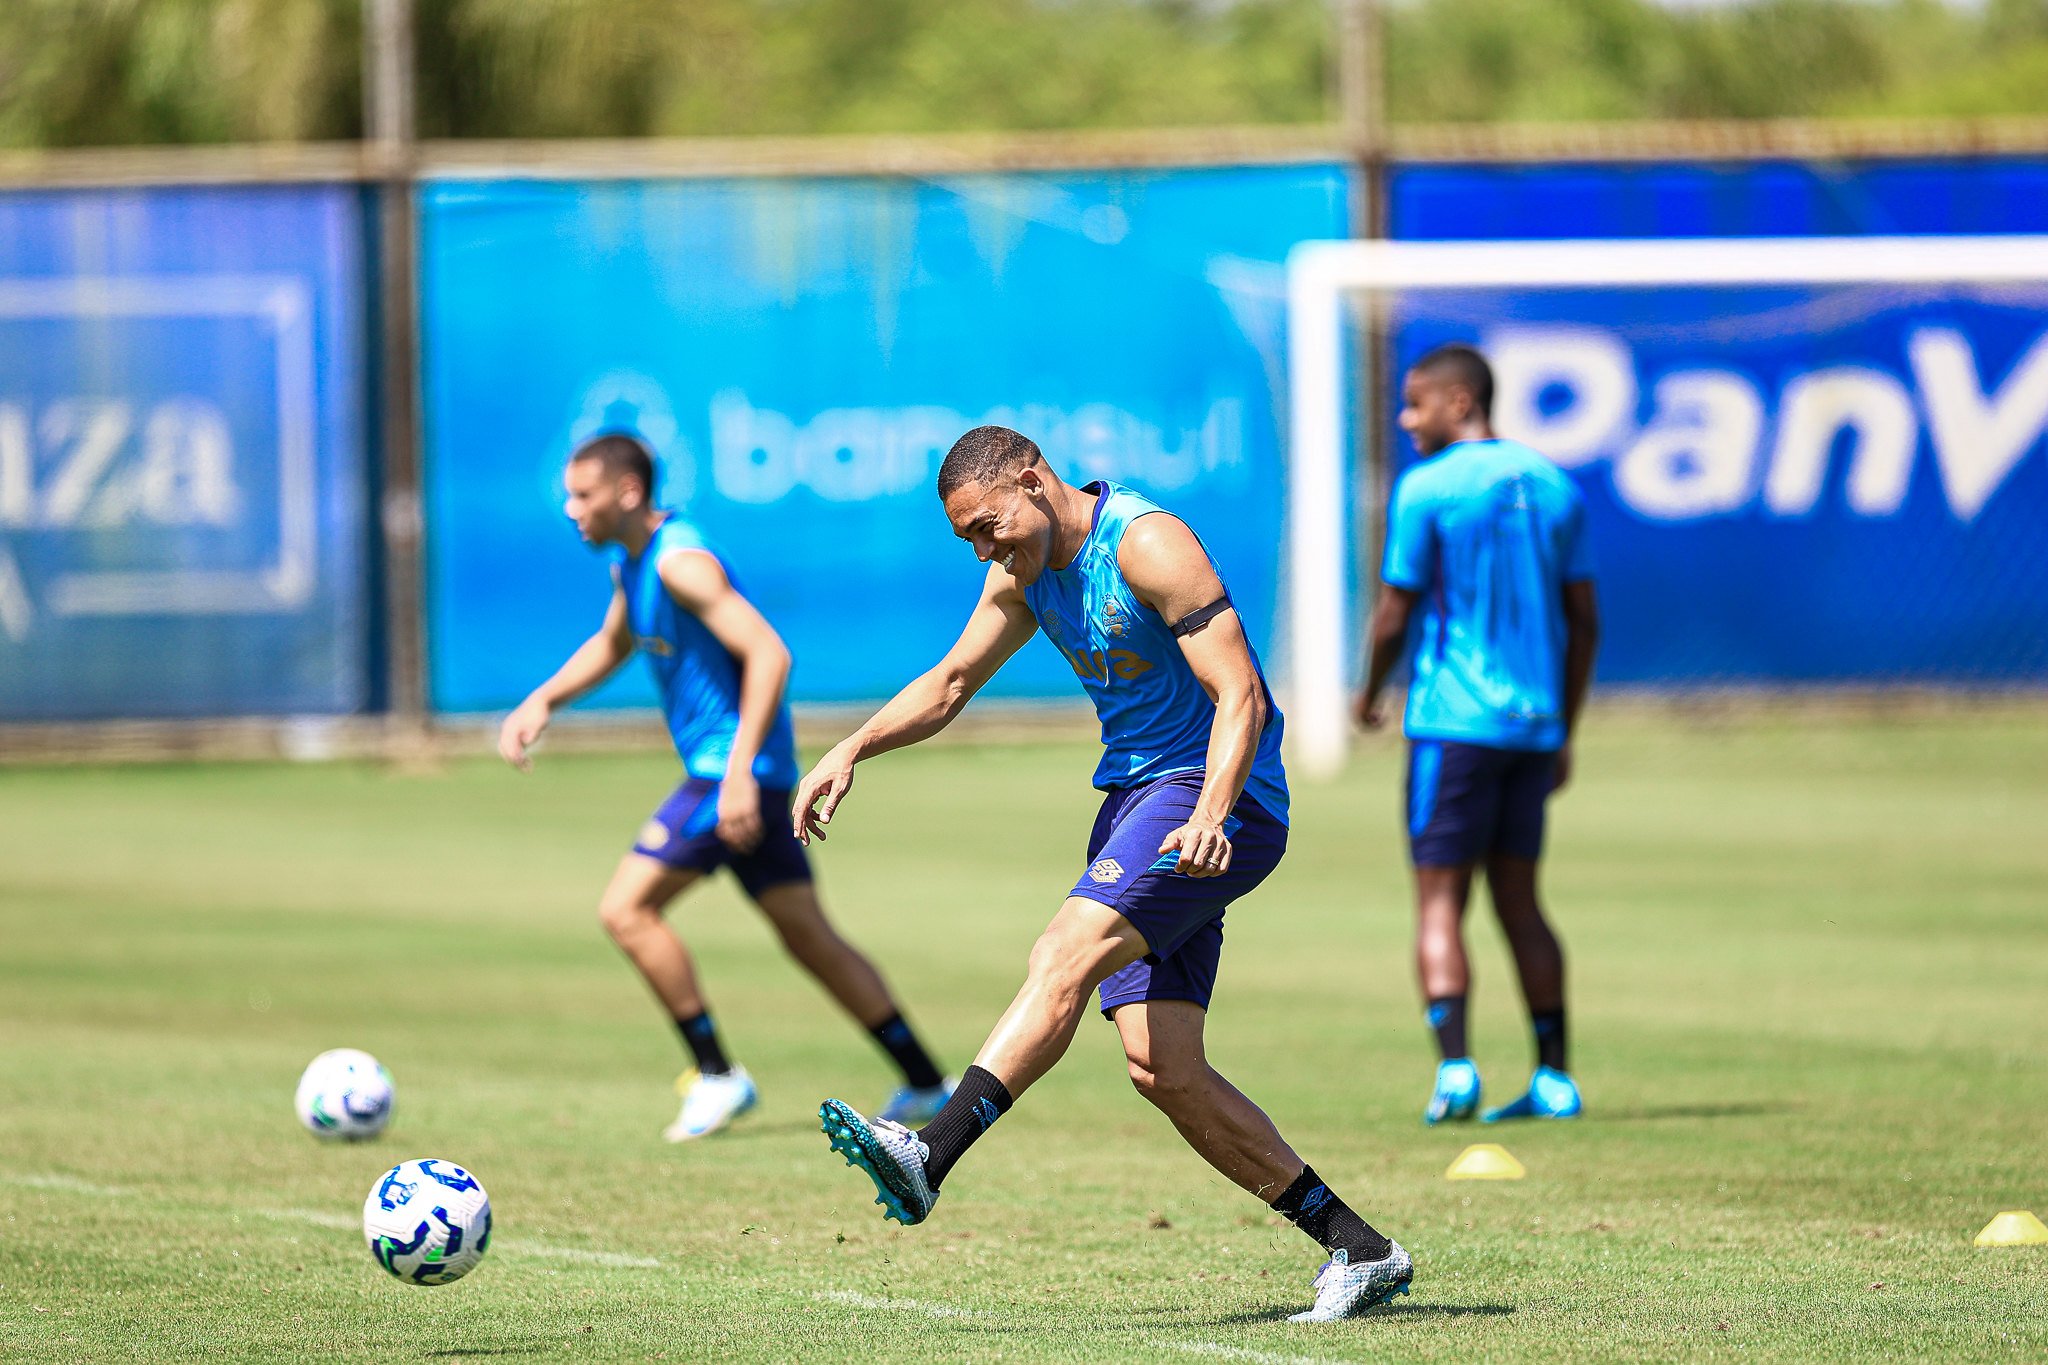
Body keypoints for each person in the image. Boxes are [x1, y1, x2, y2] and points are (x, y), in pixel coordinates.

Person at [794, 425, 1413, 1323]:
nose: (982, 546)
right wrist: (853, 745)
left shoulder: (1148, 542)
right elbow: (952, 680)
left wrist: (1209, 815)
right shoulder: (1020, 573)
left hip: (1215, 795)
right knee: (1162, 1066)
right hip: (1135, 805)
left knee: (1064, 950)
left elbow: (1240, 692)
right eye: (966, 535)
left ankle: (930, 1154)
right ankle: (1360, 1248)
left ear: (1033, 481)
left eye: (988, 523)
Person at [497, 433, 952, 1142]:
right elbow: (613, 643)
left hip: (728, 776)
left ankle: (716, 1073)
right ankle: (926, 1081)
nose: (569, 509)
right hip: (744, 778)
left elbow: (769, 651)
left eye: (581, 494)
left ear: (626, 492)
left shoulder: (681, 562)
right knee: (809, 937)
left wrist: (738, 772)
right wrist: (543, 701)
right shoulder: (635, 562)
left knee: (626, 909)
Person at [1354, 344, 1601, 1125]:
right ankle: (1555, 1076)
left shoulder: (1427, 487)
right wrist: (1563, 724)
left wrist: (1367, 692)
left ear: (1461, 403)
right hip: (1532, 728)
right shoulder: (1557, 486)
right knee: (1523, 902)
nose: (1406, 416)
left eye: (1417, 401)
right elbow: (1585, 620)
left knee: (1439, 905)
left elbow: (1396, 608)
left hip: (1452, 724)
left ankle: (1457, 1070)